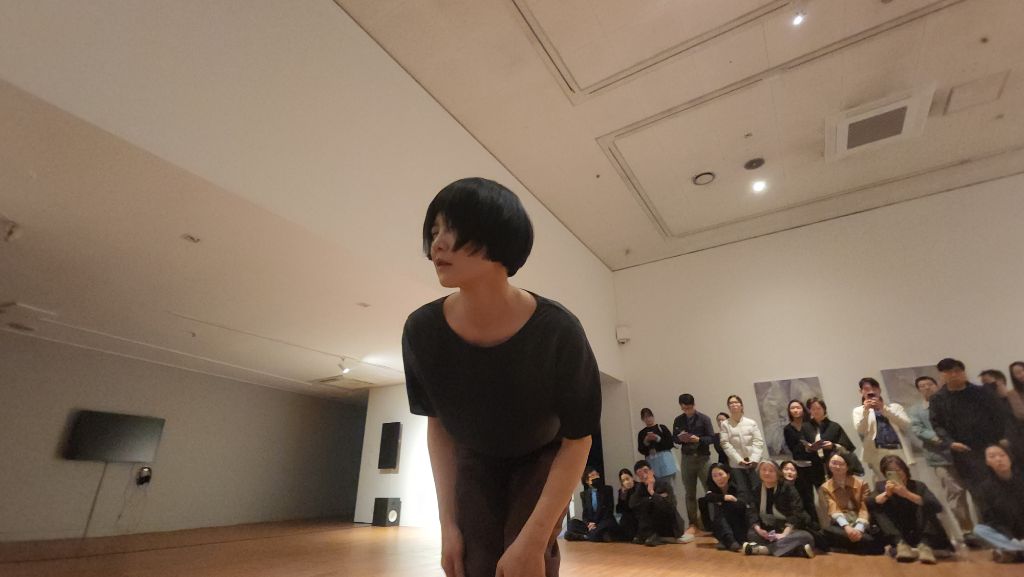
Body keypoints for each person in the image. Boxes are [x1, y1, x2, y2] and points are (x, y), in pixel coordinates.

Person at [402, 178, 601, 577]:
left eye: (452, 229)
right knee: (473, 564)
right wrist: (447, 525)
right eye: (433, 231)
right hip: (473, 456)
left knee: (525, 563)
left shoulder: (558, 330)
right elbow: (438, 425)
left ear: (498, 235)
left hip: (542, 455)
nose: (437, 244)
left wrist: (535, 540)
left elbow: (578, 439)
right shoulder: (422, 331)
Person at [930, 358, 1010, 503]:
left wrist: (1002, 438)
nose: (954, 375)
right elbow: (937, 424)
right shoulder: (938, 399)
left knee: (1003, 484)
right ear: (941, 375)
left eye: (957, 371)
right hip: (963, 451)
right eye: (948, 372)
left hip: (990, 446)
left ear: (963, 372)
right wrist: (950, 442)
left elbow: (999, 415)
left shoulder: (981, 392)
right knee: (978, 490)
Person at [907, 375, 974, 542]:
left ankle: (987, 528)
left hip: (964, 454)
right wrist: (942, 440)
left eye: (929, 384)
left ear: (936, 385)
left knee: (976, 491)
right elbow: (918, 429)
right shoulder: (916, 410)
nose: (927, 387)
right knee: (955, 493)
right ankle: (967, 531)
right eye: (922, 386)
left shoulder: (949, 403)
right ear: (918, 390)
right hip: (939, 457)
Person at [870, 455, 952, 564]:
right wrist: (886, 494)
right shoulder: (881, 486)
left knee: (924, 503)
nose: (897, 474)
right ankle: (901, 545)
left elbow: (936, 506)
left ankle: (925, 546)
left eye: (898, 470)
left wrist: (907, 494)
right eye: (891, 472)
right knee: (877, 507)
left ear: (905, 470)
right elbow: (869, 503)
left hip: (922, 530)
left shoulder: (918, 485)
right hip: (900, 533)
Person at [742, 461, 816, 558]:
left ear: (777, 473)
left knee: (806, 537)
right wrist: (759, 530)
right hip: (767, 529)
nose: (767, 473)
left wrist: (784, 534)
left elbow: (797, 511)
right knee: (752, 534)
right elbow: (752, 511)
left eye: (771, 471)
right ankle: (796, 550)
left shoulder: (787, 487)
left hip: (787, 528)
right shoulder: (756, 489)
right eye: (764, 470)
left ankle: (764, 550)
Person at [820, 453, 885, 554]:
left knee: (873, 542)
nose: (837, 466)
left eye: (841, 464)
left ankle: (846, 547)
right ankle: (856, 546)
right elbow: (834, 509)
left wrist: (858, 529)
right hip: (842, 525)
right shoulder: (825, 487)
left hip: (862, 522)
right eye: (834, 463)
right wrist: (847, 527)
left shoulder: (861, 483)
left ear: (847, 467)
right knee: (826, 531)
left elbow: (864, 507)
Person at [852, 377, 914, 483]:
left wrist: (884, 409)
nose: (871, 391)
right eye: (866, 389)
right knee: (884, 483)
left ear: (879, 390)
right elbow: (861, 430)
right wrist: (866, 411)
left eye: (874, 388)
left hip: (898, 449)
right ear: (861, 392)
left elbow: (906, 425)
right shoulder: (859, 411)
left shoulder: (894, 407)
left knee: (905, 481)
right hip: (877, 451)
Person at [671, 393, 714, 540]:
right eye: (684, 408)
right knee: (689, 493)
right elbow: (674, 438)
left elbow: (711, 438)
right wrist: (681, 438)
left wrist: (699, 439)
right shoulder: (678, 420)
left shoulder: (704, 418)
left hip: (703, 458)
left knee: (710, 490)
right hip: (687, 458)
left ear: (694, 405)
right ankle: (693, 523)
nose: (687, 411)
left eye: (689, 408)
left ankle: (713, 521)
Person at [975, 444, 1024, 563]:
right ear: (987, 462)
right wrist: (1011, 537)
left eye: (1002, 455)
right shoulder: (984, 488)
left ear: (1010, 458)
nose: (998, 459)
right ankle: (1017, 550)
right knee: (979, 529)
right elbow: (991, 520)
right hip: (1009, 535)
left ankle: (1012, 552)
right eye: (992, 456)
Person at [629, 460, 685, 546]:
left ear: (652, 471)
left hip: (670, 524)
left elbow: (670, 506)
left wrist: (652, 492)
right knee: (642, 508)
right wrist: (652, 498)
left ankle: (653, 536)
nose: (644, 475)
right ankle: (649, 535)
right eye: (639, 473)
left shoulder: (664, 484)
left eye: (646, 471)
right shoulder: (640, 487)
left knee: (657, 505)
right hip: (652, 524)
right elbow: (632, 504)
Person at [719, 395, 764, 503]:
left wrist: (754, 459)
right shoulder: (725, 425)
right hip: (736, 465)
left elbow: (758, 441)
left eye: (736, 402)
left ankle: (761, 512)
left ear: (741, 405)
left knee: (758, 489)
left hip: (753, 463)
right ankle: (748, 513)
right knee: (743, 491)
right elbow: (725, 443)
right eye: (731, 403)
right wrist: (739, 460)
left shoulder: (751, 423)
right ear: (728, 407)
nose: (733, 404)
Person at [783, 400, 823, 513]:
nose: (795, 410)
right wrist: (805, 448)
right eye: (792, 408)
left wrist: (812, 447)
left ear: (803, 409)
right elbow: (792, 448)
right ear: (789, 411)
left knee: (823, 493)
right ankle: (814, 521)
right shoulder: (787, 429)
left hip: (816, 464)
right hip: (801, 466)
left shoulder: (811, 424)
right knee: (807, 497)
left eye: (798, 407)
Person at [807, 397, 863, 477]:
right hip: (816, 467)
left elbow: (847, 447)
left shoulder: (834, 426)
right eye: (813, 409)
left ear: (824, 409)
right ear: (810, 411)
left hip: (836, 465)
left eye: (818, 408)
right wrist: (809, 448)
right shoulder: (806, 427)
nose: (816, 411)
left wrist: (833, 446)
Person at [700, 463, 747, 552]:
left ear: (728, 475)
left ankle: (727, 540)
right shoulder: (713, 488)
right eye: (714, 476)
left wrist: (723, 502)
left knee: (723, 509)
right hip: (721, 523)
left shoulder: (736, 486)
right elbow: (708, 497)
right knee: (718, 512)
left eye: (720, 474)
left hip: (738, 521)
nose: (718, 478)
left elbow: (741, 505)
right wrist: (724, 497)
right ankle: (728, 539)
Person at [564, 468, 617, 542]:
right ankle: (592, 535)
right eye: (593, 475)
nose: (596, 477)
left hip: (604, 521)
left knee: (607, 525)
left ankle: (585, 536)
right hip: (591, 524)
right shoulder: (584, 494)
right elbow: (585, 514)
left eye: (597, 474)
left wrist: (596, 524)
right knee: (572, 524)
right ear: (587, 480)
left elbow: (609, 510)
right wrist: (588, 523)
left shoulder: (607, 489)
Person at [636, 408, 676, 481]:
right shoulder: (642, 433)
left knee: (669, 484)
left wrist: (658, 439)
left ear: (653, 416)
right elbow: (641, 449)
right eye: (645, 417)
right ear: (642, 419)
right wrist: (646, 442)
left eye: (649, 416)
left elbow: (670, 444)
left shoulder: (662, 428)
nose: (648, 419)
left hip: (666, 461)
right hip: (652, 462)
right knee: (655, 483)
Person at [1004, 362, 1024, 465]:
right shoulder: (1012, 394)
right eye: (1017, 373)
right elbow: (1020, 414)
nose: (1022, 374)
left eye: (1023, 370)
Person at [613, 468, 639, 542]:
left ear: (632, 477)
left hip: (639, 512)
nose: (626, 482)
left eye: (627, 479)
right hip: (628, 515)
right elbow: (619, 509)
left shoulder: (639, 486)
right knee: (624, 519)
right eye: (623, 481)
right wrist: (623, 497)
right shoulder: (622, 491)